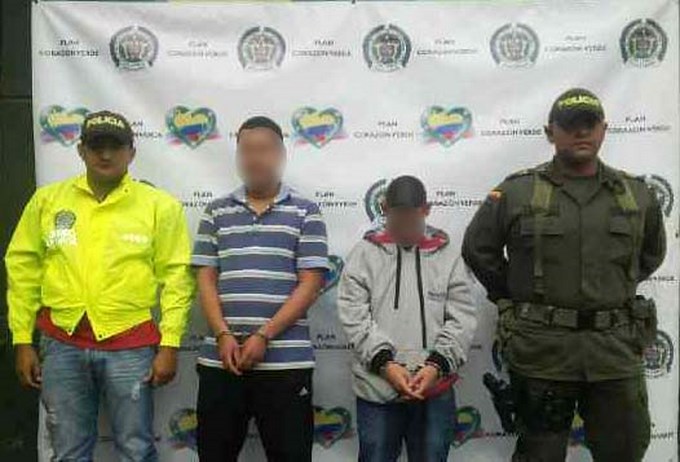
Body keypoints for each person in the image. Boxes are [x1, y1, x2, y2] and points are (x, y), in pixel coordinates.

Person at [462, 88, 666, 462]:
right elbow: (478, 249)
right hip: (543, 352)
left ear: (604, 129)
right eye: (570, 124)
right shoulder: (517, 192)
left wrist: (610, 289)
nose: (581, 132)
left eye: (589, 123)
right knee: (539, 454)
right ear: (550, 132)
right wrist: (515, 296)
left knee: (624, 451)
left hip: (614, 351)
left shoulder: (636, 195)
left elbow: (651, 254)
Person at [6, 110, 195, 461]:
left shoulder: (160, 206)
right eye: (96, 146)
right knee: (68, 452)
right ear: (81, 150)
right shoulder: (48, 201)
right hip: (61, 343)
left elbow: (177, 278)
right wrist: (22, 340)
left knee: (136, 449)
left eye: (115, 146)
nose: (106, 155)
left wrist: (170, 344)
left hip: (131, 344)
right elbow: (22, 269)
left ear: (131, 153)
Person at [192, 116, 329, 462]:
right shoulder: (215, 212)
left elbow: (311, 283)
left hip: (285, 364)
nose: (255, 158)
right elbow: (205, 278)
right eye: (247, 150)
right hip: (221, 360)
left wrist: (264, 335)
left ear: (281, 155)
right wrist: (223, 334)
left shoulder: (306, 212)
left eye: (264, 149)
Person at [338, 175, 478, 462]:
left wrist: (436, 365)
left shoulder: (449, 255)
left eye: (412, 221)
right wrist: (385, 364)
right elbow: (353, 314)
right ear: (384, 209)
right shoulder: (364, 254)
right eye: (397, 221)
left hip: (434, 388)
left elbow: (462, 318)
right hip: (377, 385)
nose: (404, 230)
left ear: (426, 210)